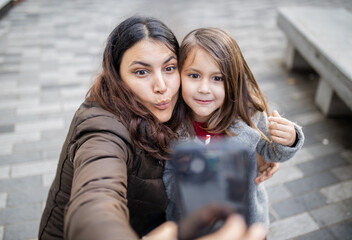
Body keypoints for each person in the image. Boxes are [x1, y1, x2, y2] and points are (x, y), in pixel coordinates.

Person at [38, 16, 267, 240]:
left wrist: (262, 148)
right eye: (141, 72)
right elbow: (95, 204)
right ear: (117, 77)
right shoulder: (103, 129)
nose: (161, 86)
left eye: (169, 68)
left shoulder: (176, 105)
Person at [165, 27, 304, 228]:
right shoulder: (172, 126)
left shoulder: (248, 116)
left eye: (217, 78)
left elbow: (272, 153)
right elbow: (168, 176)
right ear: (179, 75)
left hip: (245, 223)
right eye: (194, 76)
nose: (204, 88)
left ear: (233, 81)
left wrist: (289, 139)